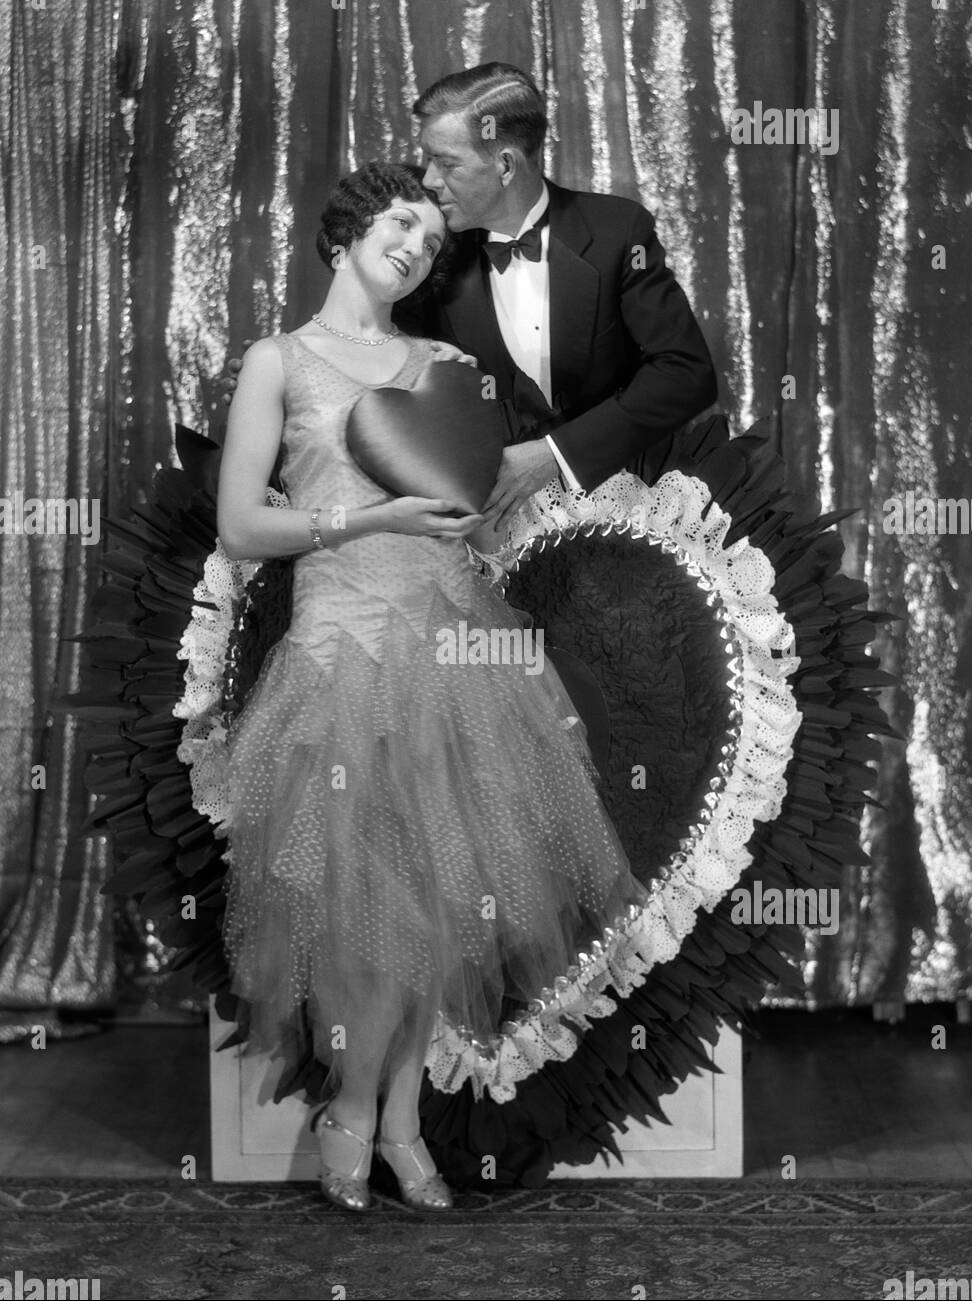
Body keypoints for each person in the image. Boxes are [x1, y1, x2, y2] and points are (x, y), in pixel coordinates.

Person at [216, 161, 651, 1214]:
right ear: (343, 237)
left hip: (455, 653)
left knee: (442, 906)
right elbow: (240, 526)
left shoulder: (443, 363)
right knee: (372, 902)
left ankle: (386, 1120)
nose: (414, 247)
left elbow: (472, 503)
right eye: (397, 226)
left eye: (427, 237)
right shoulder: (280, 362)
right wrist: (368, 520)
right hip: (339, 653)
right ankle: (364, 1118)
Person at [398, 62, 718, 537]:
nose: (428, 181)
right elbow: (379, 351)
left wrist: (555, 454)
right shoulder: (430, 250)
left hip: (632, 519)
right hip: (492, 534)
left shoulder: (617, 231)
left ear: (506, 165)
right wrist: (279, 370)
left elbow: (686, 375)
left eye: (446, 163)